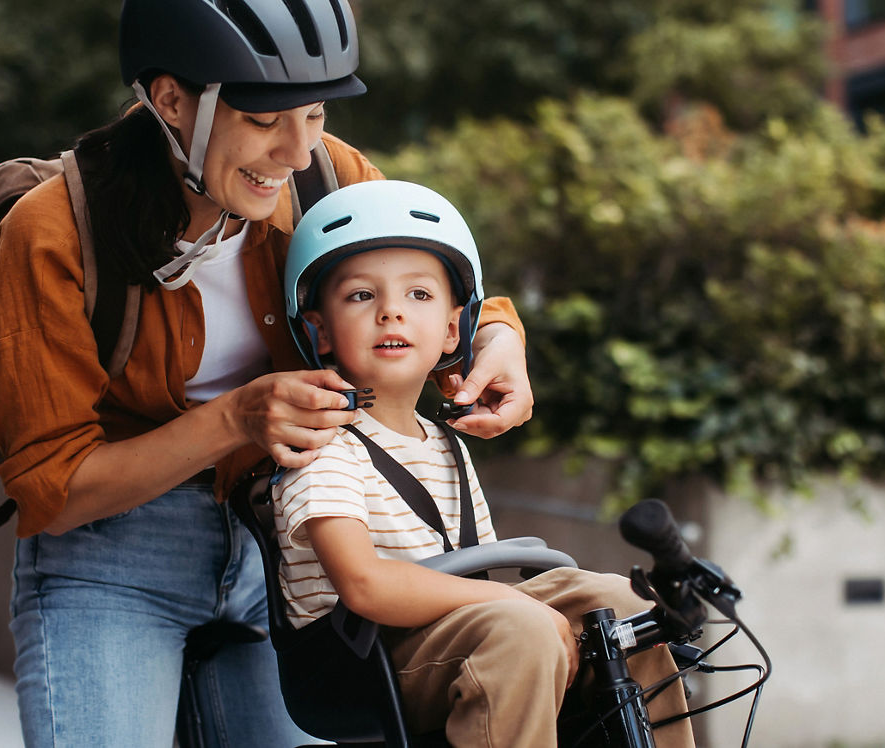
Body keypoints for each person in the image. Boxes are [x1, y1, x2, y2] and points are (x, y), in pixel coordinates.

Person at [0, 0, 534, 747]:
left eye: (314, 113)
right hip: (113, 562)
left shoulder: (324, 177)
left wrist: (499, 343)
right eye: (266, 118)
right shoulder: (52, 231)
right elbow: (50, 488)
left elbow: (435, 287)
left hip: (292, 551)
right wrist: (236, 419)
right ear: (171, 101)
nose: (296, 149)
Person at [273, 180, 694, 748]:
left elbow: (478, 567)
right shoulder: (324, 445)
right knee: (520, 628)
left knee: (621, 608)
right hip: (363, 658)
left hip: (449, 631)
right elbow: (364, 585)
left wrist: (517, 602)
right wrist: (514, 603)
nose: (392, 311)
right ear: (318, 329)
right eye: (360, 296)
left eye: (419, 295)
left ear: (454, 329)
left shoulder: (446, 442)